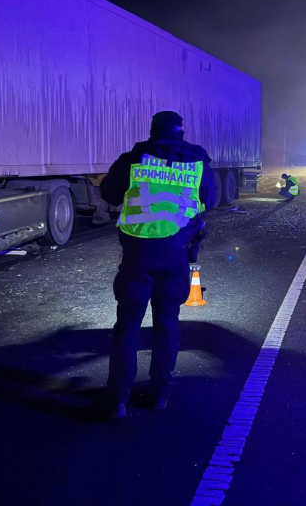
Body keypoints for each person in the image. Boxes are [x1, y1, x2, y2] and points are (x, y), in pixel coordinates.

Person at [101, 111, 217, 419]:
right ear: (181, 132)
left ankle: (118, 401)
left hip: (137, 256)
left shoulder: (134, 158)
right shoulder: (198, 162)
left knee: (127, 327)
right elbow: (212, 198)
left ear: (152, 131)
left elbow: (108, 193)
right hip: (176, 254)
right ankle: (160, 394)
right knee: (167, 323)